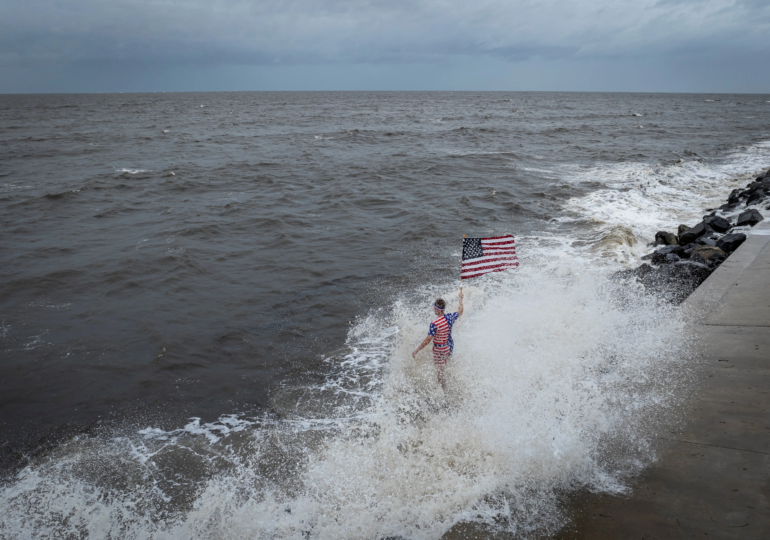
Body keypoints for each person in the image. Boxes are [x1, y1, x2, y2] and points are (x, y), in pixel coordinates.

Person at [412, 290, 464, 389]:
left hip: (439, 350)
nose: (433, 310)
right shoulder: (449, 318)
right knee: (447, 361)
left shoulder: (434, 324)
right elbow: (460, 311)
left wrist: (417, 350)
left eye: (434, 308)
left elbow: (427, 341)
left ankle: (443, 388)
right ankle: (449, 373)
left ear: (437, 309)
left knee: (439, 371)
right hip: (449, 347)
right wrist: (461, 299)